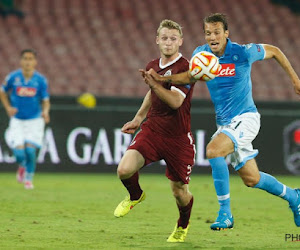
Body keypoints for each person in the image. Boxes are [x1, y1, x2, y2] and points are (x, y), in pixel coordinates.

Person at [144, 13, 300, 230]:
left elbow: (274, 51)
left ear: (226, 33)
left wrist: (295, 79)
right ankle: (294, 197)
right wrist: (163, 80)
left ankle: (225, 213)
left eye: (217, 32)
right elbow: (191, 76)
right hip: (225, 124)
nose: (212, 37)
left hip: (246, 118)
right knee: (251, 178)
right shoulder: (201, 54)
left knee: (214, 151)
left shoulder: (243, 52)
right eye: (208, 33)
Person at [114, 19, 195, 242]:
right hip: (153, 130)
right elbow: (153, 94)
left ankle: (182, 225)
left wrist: (154, 85)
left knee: (179, 192)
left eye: (173, 38)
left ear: (180, 41)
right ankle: (135, 196)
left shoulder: (185, 67)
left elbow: (176, 102)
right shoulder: (153, 64)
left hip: (178, 138)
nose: (168, 42)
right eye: (164, 38)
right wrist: (138, 118)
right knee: (124, 170)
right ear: (157, 40)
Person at [0, 49, 50, 189]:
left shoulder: (40, 80)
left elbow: (46, 100)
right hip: (17, 120)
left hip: (34, 120)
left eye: (30, 59)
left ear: (35, 62)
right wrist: (8, 107)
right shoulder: (13, 77)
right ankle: (22, 165)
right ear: (21, 61)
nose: (28, 62)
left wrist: (46, 112)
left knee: (30, 151)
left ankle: (29, 178)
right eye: (25, 59)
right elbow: (2, 91)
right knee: (20, 153)